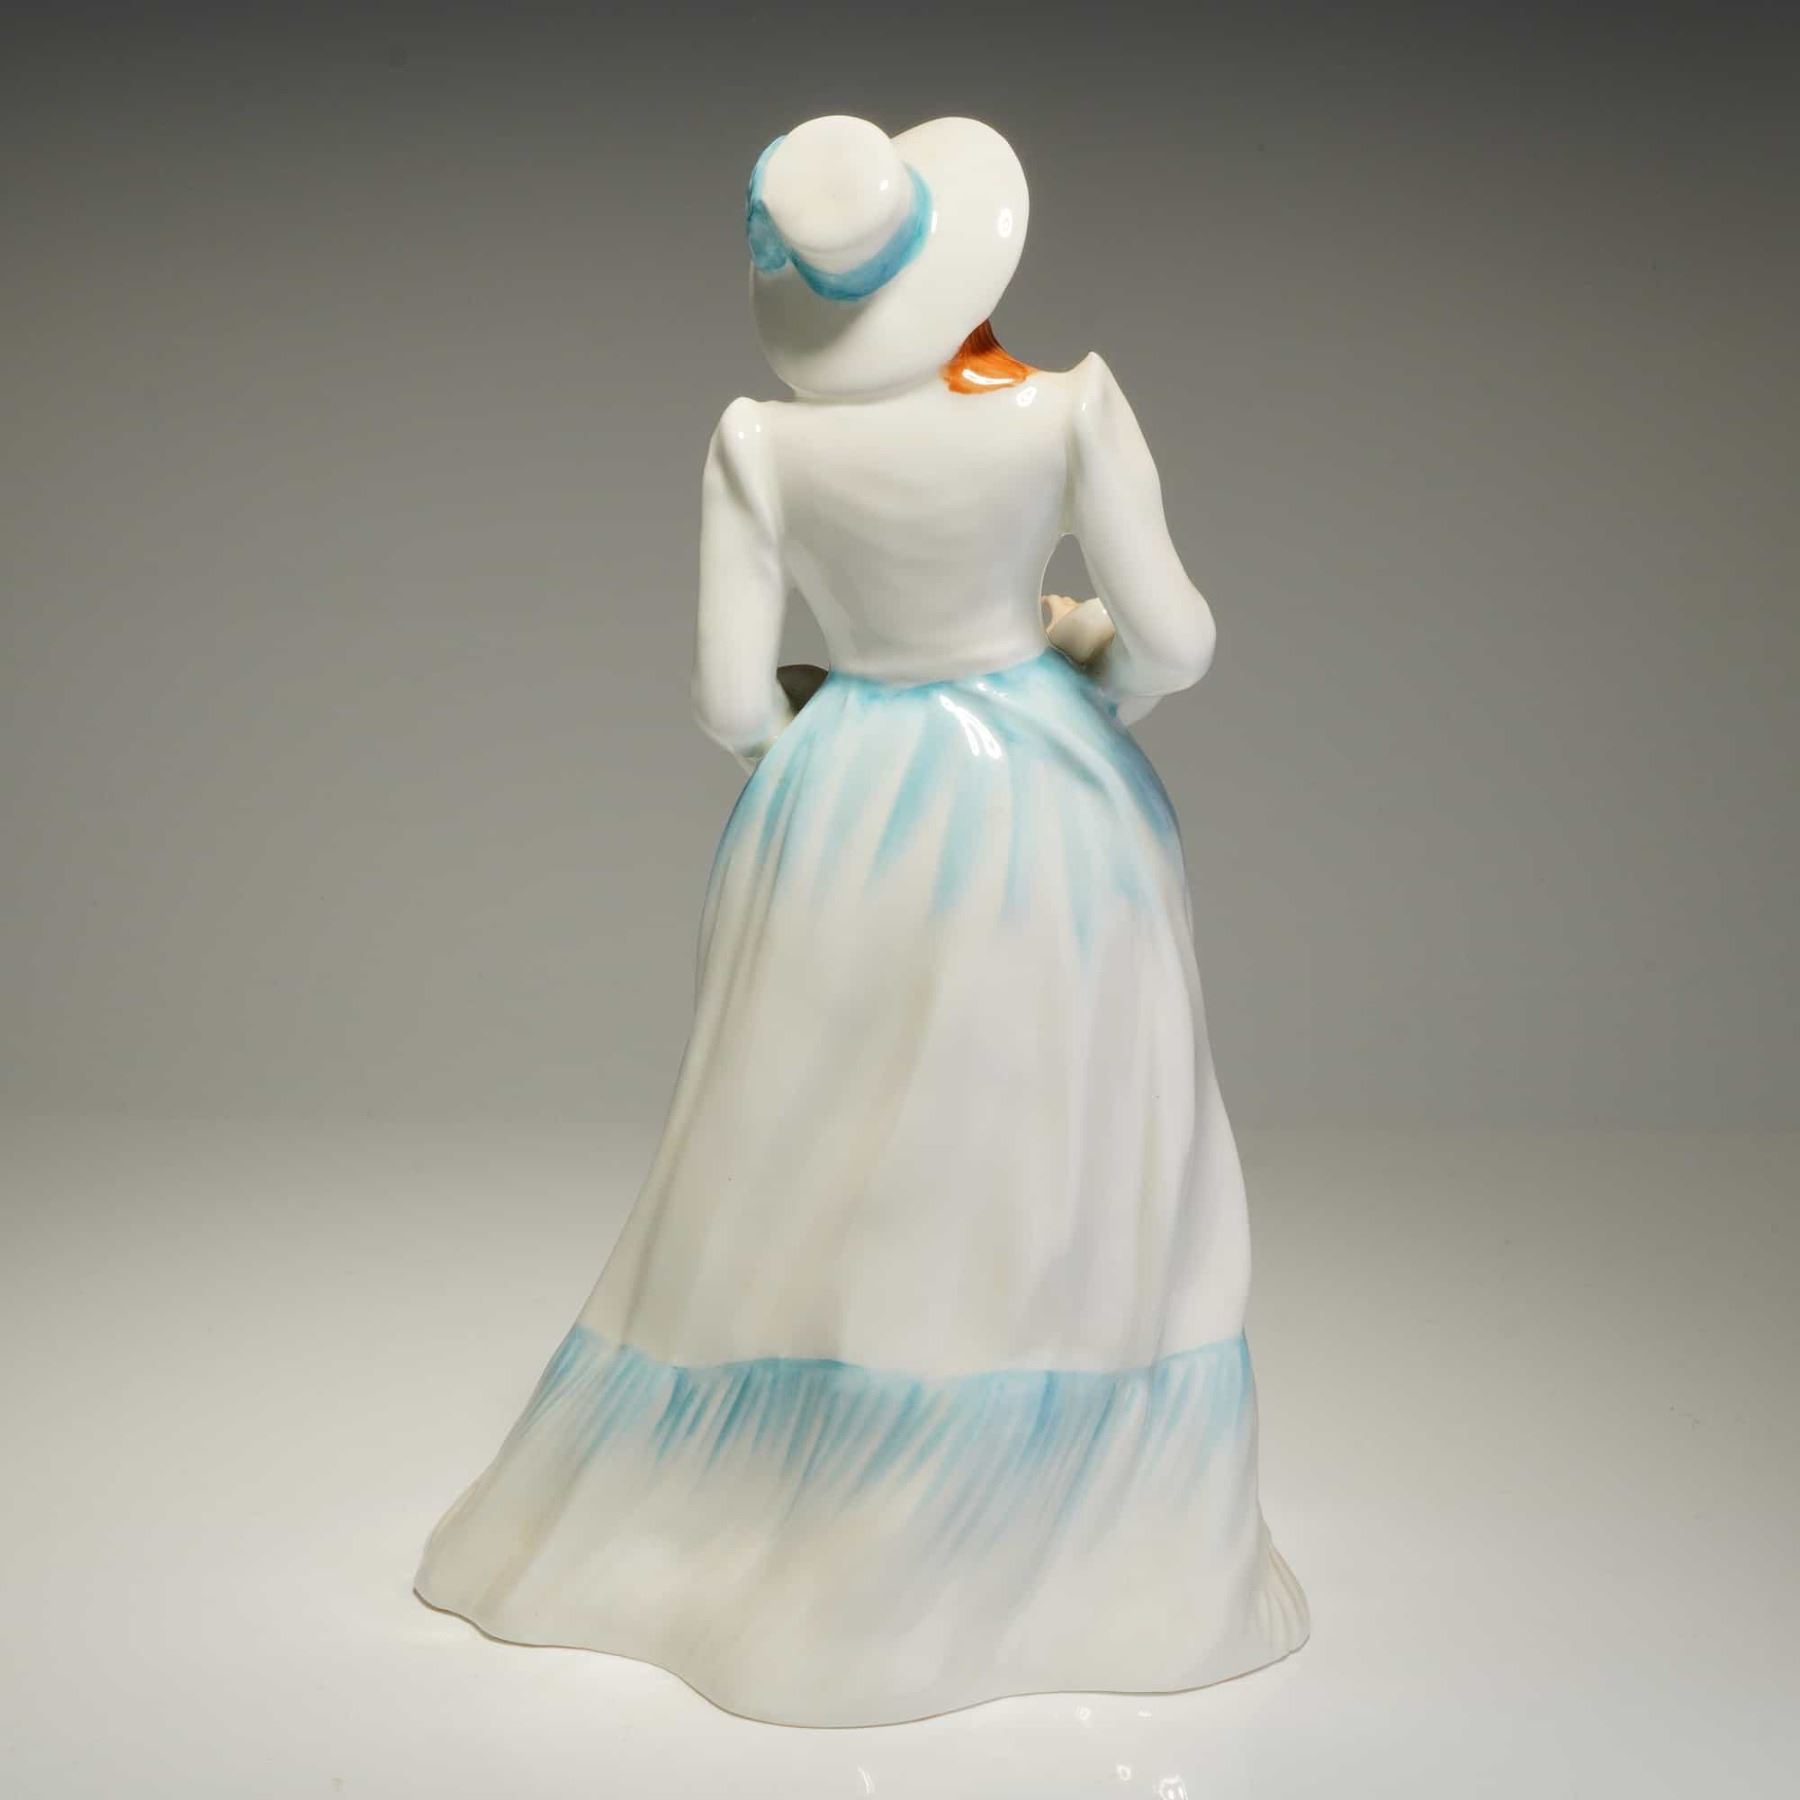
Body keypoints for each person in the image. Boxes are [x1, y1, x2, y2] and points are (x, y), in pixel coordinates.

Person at [415, 113, 1308, 1728]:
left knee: (815, 1175)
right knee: (1053, 1169)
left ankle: (786, 1515)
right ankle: (1084, 1537)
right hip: (1045, 804)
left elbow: (726, 701)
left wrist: (823, 732)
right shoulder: (1065, 408)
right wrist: (1078, 664)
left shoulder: (762, 445)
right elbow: (1176, 640)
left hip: (840, 811)